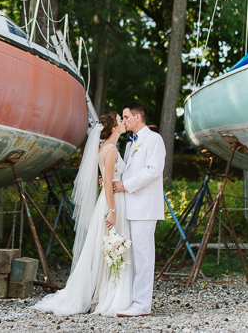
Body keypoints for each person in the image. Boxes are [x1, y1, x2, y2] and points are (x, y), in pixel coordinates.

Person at [33, 112, 134, 316]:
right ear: (114, 128)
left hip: (106, 202)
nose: (123, 122)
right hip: (111, 204)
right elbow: (106, 181)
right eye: (120, 120)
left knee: (102, 250)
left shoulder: (103, 149)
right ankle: (101, 297)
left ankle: (97, 295)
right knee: (107, 249)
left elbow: (106, 179)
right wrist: (112, 210)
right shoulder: (111, 149)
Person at [111, 102, 166, 318]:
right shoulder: (129, 143)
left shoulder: (154, 139)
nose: (123, 121)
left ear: (137, 118)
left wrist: (125, 185)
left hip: (144, 206)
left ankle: (142, 305)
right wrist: (112, 181)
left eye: (125, 117)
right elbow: (126, 172)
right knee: (131, 255)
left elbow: (154, 171)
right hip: (129, 205)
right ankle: (131, 299)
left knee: (144, 256)